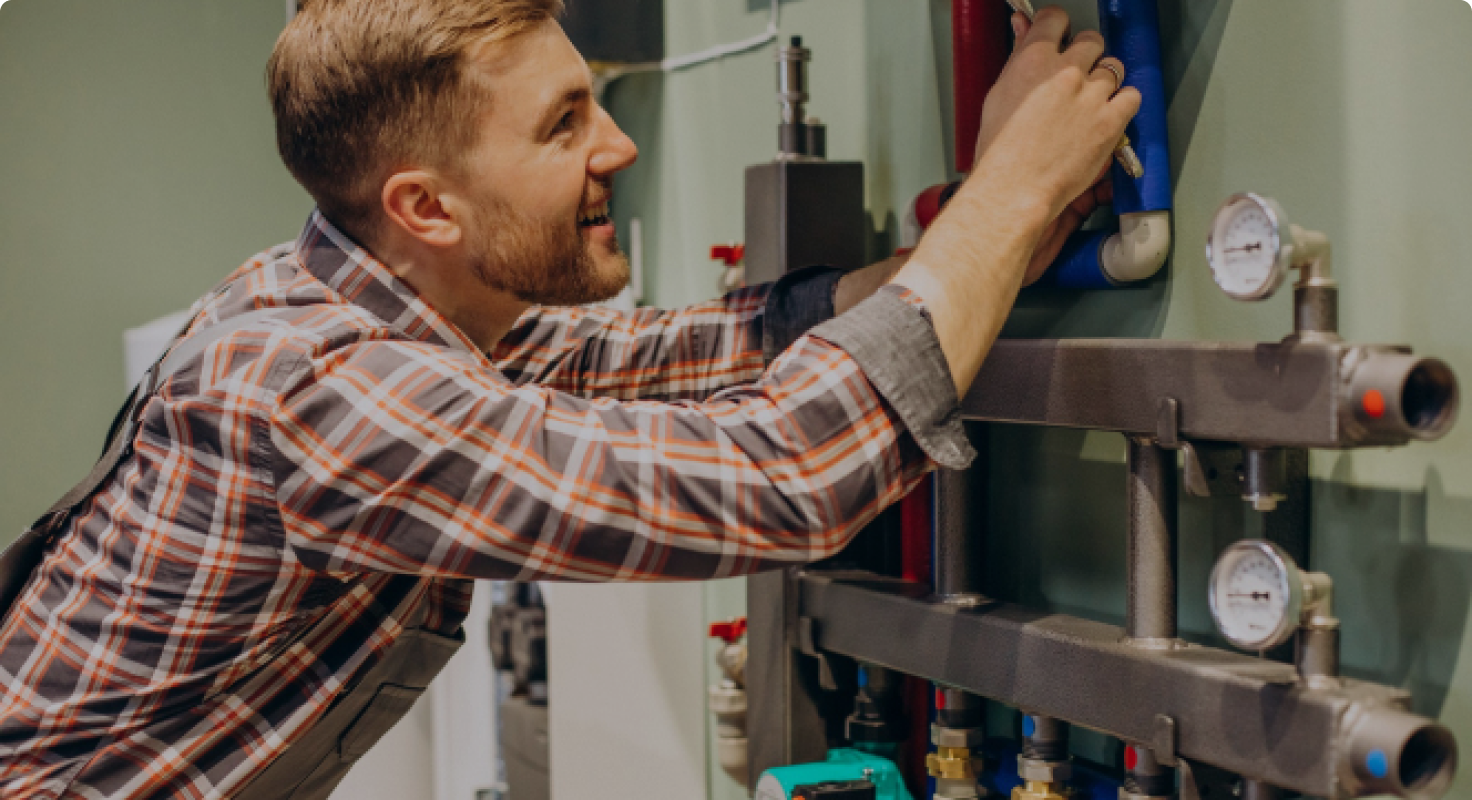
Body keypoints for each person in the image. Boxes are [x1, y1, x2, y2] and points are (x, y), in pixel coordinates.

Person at [0, 0, 1137, 797]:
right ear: (427, 206)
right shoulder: (314, 390)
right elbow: (782, 475)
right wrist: (1011, 188)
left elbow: (706, 350)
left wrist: (992, 239)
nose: (620, 142)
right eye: (563, 124)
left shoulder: (372, 299)